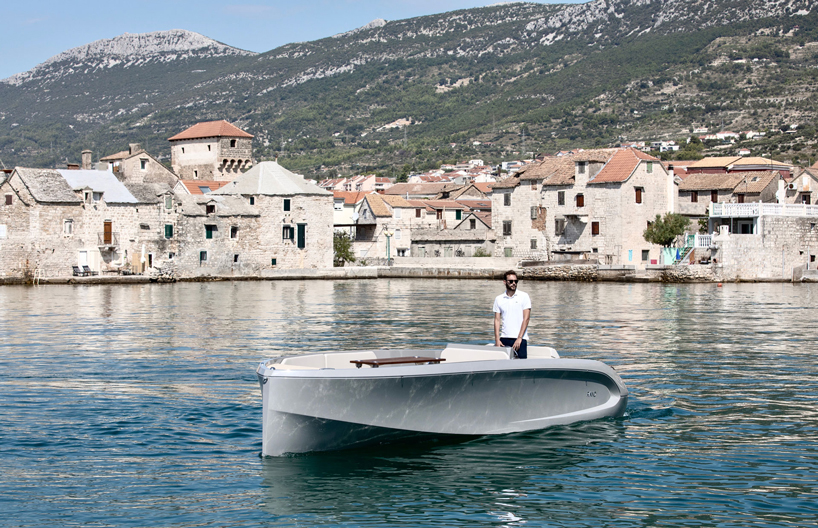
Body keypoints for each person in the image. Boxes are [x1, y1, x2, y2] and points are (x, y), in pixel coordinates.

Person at [493, 270, 531, 358]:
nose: (513, 283)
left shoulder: (524, 296)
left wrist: (519, 338)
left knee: (521, 366)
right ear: (505, 282)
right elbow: (497, 320)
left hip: (520, 339)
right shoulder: (499, 299)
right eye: (511, 281)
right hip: (504, 338)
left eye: (515, 281)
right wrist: (497, 339)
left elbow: (526, 319)